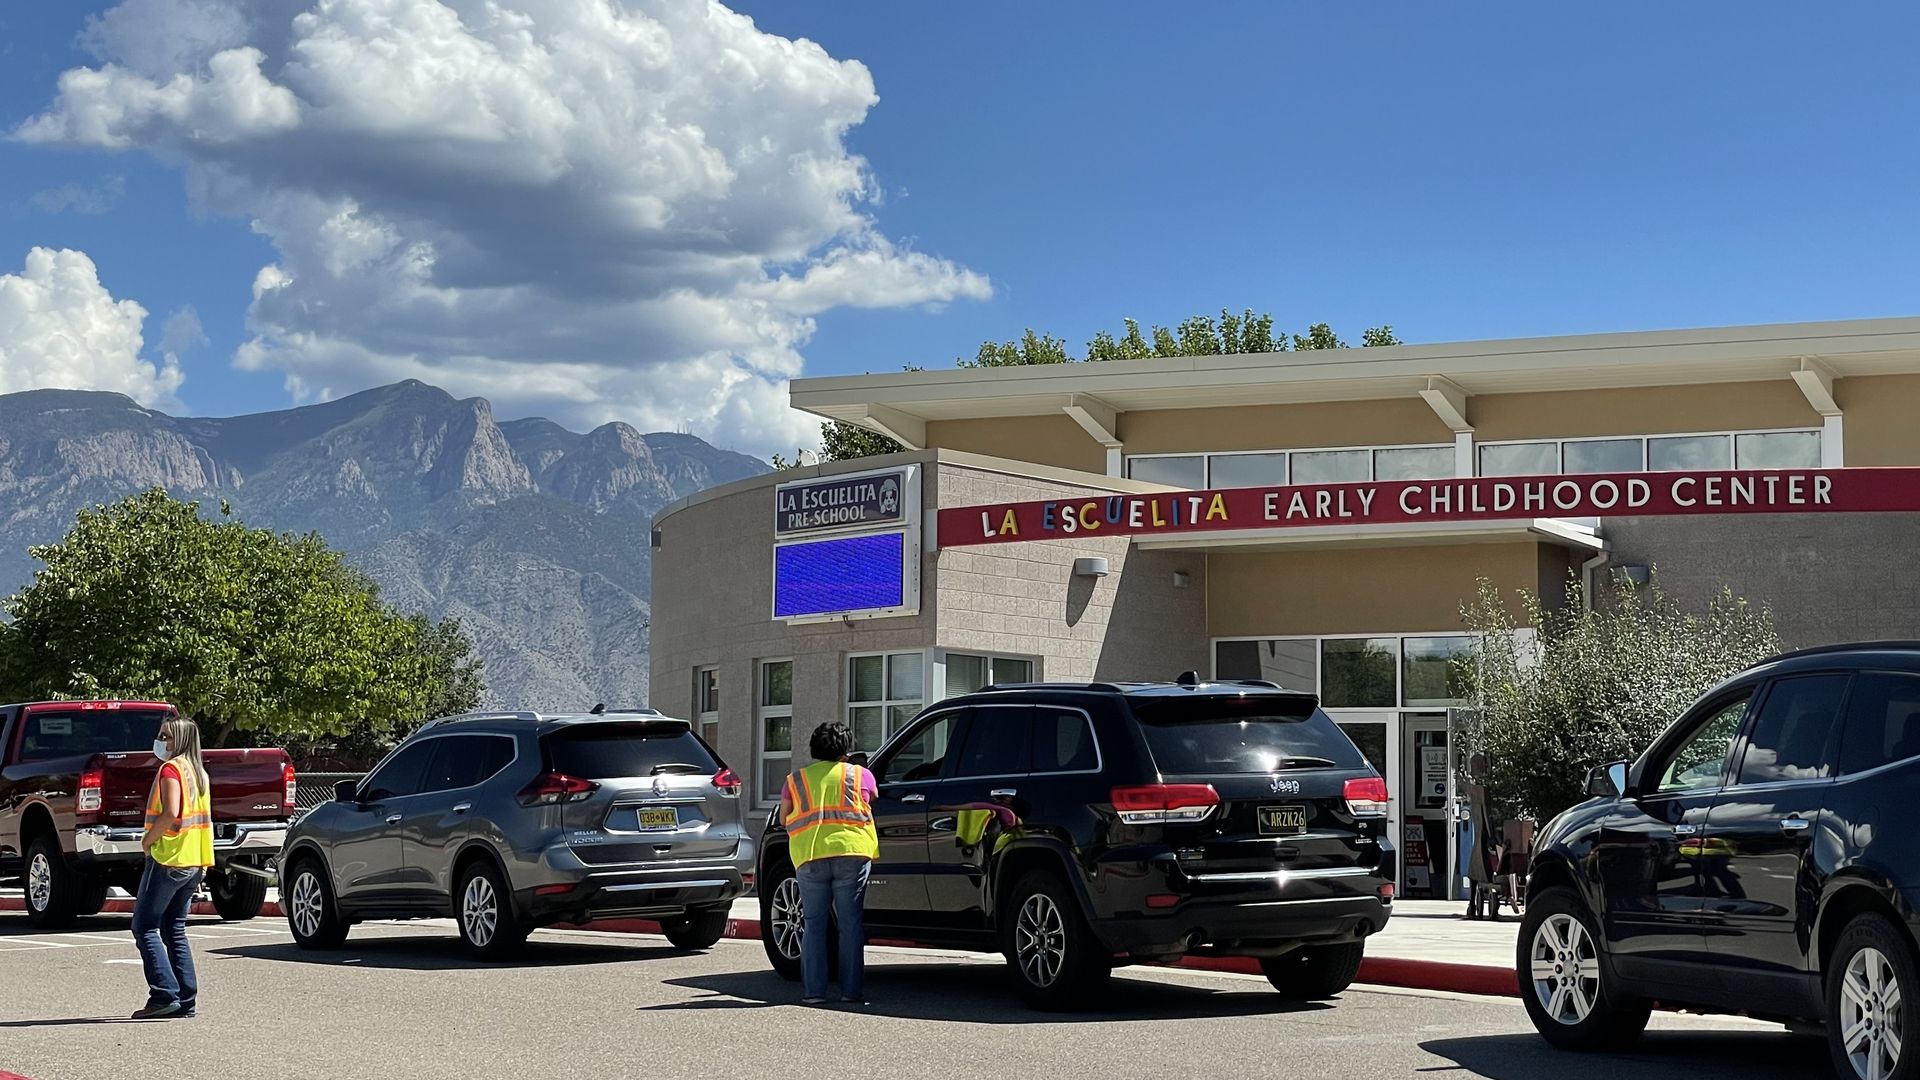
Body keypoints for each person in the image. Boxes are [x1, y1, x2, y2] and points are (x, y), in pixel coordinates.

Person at [778, 721, 878, 1006]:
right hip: (853, 852)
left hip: (810, 855)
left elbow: (785, 818)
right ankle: (851, 992)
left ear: (814, 749)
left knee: (814, 923)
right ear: (846, 749)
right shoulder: (861, 775)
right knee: (850, 924)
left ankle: (814, 993)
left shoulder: (795, 780)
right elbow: (873, 798)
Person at [132, 716, 214, 1019]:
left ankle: (164, 994)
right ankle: (185, 999)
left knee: (144, 927)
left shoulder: (171, 769)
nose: (160, 742)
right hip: (193, 860)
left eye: (166, 737)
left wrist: (147, 841)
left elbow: (170, 812)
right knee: (174, 929)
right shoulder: (198, 772)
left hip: (169, 858)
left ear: (179, 741)